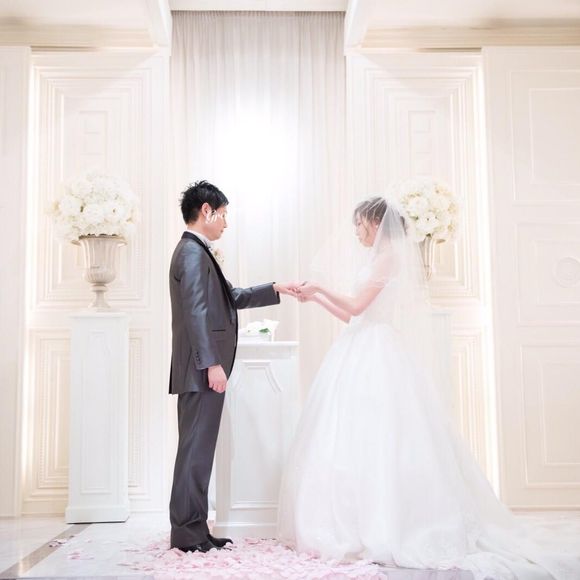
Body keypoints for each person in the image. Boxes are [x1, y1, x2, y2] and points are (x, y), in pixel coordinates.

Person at [277, 196, 579, 579]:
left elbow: (356, 306)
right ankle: (354, 522)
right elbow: (351, 316)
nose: (356, 232)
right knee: (354, 437)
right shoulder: (376, 259)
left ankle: (388, 525)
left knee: (384, 439)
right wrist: (317, 297)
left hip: (378, 352)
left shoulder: (389, 259)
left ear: (375, 223)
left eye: (359, 225)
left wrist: (321, 286)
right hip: (359, 344)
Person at [169, 180, 299, 553]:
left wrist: (276, 288)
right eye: (223, 215)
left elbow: (232, 297)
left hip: (199, 368)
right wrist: (212, 364)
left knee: (198, 453)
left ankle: (195, 529)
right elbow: (196, 313)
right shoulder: (192, 253)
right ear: (206, 211)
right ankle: (187, 533)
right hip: (200, 369)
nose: (226, 223)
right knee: (194, 453)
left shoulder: (196, 251)